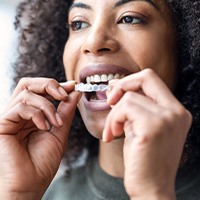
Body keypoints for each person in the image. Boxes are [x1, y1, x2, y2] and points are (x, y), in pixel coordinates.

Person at [0, 0, 199, 199]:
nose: (93, 42)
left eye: (129, 18)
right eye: (79, 24)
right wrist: (17, 194)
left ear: (186, 42)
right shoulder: (47, 194)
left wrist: (153, 193)